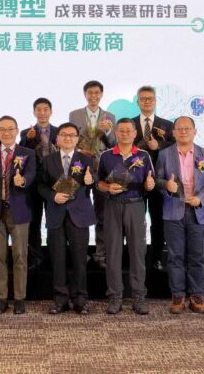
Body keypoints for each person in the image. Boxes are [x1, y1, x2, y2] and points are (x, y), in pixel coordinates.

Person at [156, 116, 204, 314]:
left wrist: (200, 198)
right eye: (179, 128)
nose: (183, 131)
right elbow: (157, 180)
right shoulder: (165, 154)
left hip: (198, 212)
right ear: (173, 132)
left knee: (197, 256)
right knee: (175, 256)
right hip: (173, 211)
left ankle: (196, 295)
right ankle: (178, 296)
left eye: (187, 128)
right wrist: (166, 186)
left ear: (195, 131)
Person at [97, 118, 154, 315]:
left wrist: (149, 185)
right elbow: (99, 182)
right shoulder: (106, 156)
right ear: (116, 133)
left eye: (129, 131)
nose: (125, 134)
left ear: (135, 133)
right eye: (121, 131)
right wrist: (107, 187)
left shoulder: (144, 155)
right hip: (112, 205)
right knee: (113, 252)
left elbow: (150, 182)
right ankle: (115, 296)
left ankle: (138, 296)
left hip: (135, 205)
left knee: (137, 252)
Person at [38, 122, 96, 315]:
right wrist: (52, 196)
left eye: (72, 135)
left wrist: (90, 181)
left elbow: (94, 182)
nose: (68, 138)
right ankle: (60, 300)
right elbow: (41, 186)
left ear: (77, 139)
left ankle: (80, 300)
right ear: (57, 138)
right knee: (58, 259)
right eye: (64, 134)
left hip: (79, 215)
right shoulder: (48, 160)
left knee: (80, 260)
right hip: (56, 214)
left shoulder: (86, 159)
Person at [0, 116, 36, 315]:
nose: (6, 133)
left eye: (10, 129)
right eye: (2, 129)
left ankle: (19, 298)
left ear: (17, 130)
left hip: (19, 212)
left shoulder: (27, 153)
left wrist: (23, 181)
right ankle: (2, 298)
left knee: (20, 256)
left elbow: (32, 175)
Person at [69, 80, 116, 269]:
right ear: (85, 94)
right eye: (90, 92)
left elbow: (114, 144)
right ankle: (80, 252)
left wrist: (108, 131)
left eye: (97, 93)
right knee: (78, 210)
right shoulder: (75, 115)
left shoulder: (110, 116)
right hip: (80, 167)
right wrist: (79, 150)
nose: (93, 96)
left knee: (102, 213)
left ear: (101, 95)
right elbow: (70, 139)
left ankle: (101, 253)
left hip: (103, 170)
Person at [132, 85, 175, 271]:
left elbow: (176, 147)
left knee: (158, 221)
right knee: (135, 223)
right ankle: (136, 258)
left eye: (150, 98)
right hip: (135, 180)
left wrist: (160, 145)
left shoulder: (167, 124)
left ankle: (156, 258)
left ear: (156, 101)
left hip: (159, 180)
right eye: (143, 98)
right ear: (138, 102)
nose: (147, 101)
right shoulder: (129, 124)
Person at [19, 97, 58, 271]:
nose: (42, 113)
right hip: (33, 183)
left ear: (51, 111)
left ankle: (53, 255)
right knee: (34, 221)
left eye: (45, 109)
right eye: (39, 110)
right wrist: (27, 140)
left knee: (53, 220)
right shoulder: (25, 133)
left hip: (53, 183)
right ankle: (36, 257)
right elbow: (20, 154)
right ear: (34, 112)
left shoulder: (59, 132)